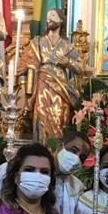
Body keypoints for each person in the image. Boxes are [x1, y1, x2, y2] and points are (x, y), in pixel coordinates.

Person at [0, 130, 92, 214]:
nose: (76, 158)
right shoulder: (7, 170)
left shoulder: (77, 186)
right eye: (73, 151)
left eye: (82, 157)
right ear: (60, 146)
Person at [22, 8, 91, 143]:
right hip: (42, 83)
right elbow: (27, 62)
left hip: (61, 88)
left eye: (53, 16)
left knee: (59, 117)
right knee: (42, 116)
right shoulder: (37, 42)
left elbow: (80, 68)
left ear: (61, 20)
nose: (49, 19)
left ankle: (57, 152)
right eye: (47, 17)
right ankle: (40, 149)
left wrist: (68, 62)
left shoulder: (67, 46)